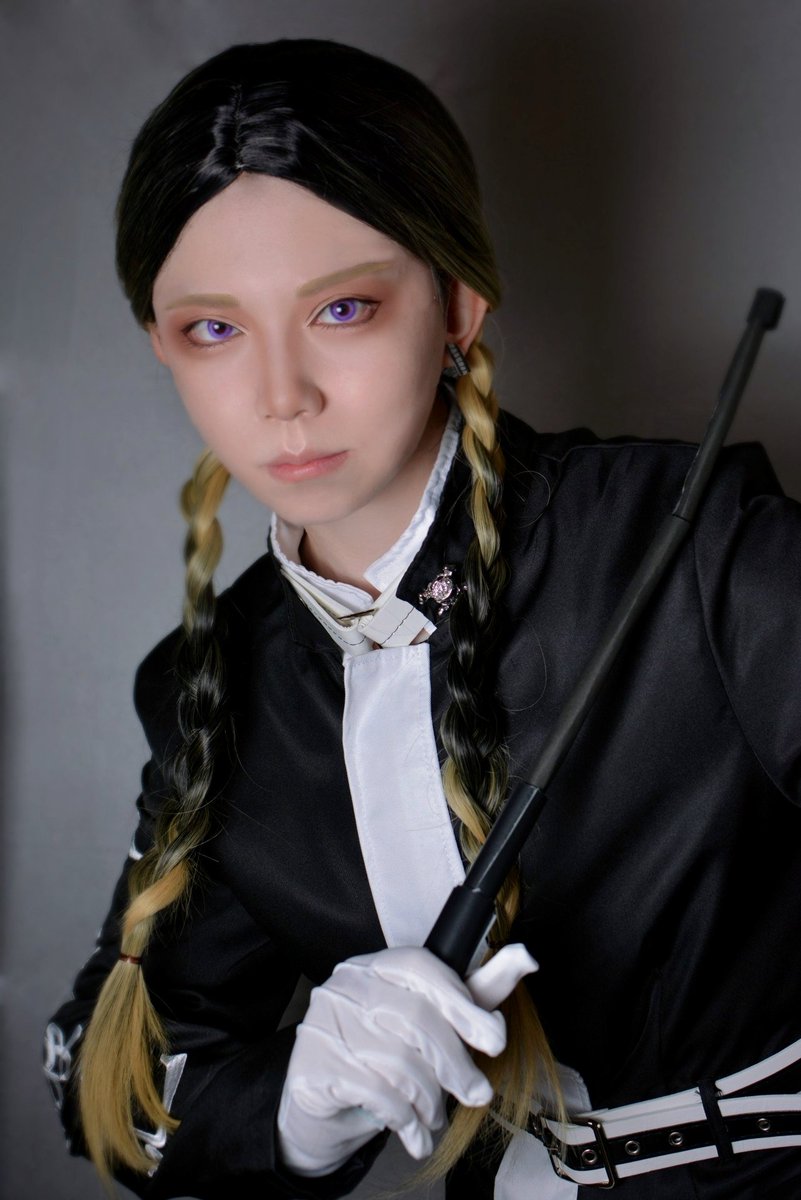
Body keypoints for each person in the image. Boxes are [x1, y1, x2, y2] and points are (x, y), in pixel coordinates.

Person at [43, 38, 801, 1200]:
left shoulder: (696, 543)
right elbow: (108, 1083)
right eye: (214, 329)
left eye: (342, 307)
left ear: (455, 302)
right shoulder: (213, 686)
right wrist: (297, 1105)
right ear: (161, 340)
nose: (282, 395)